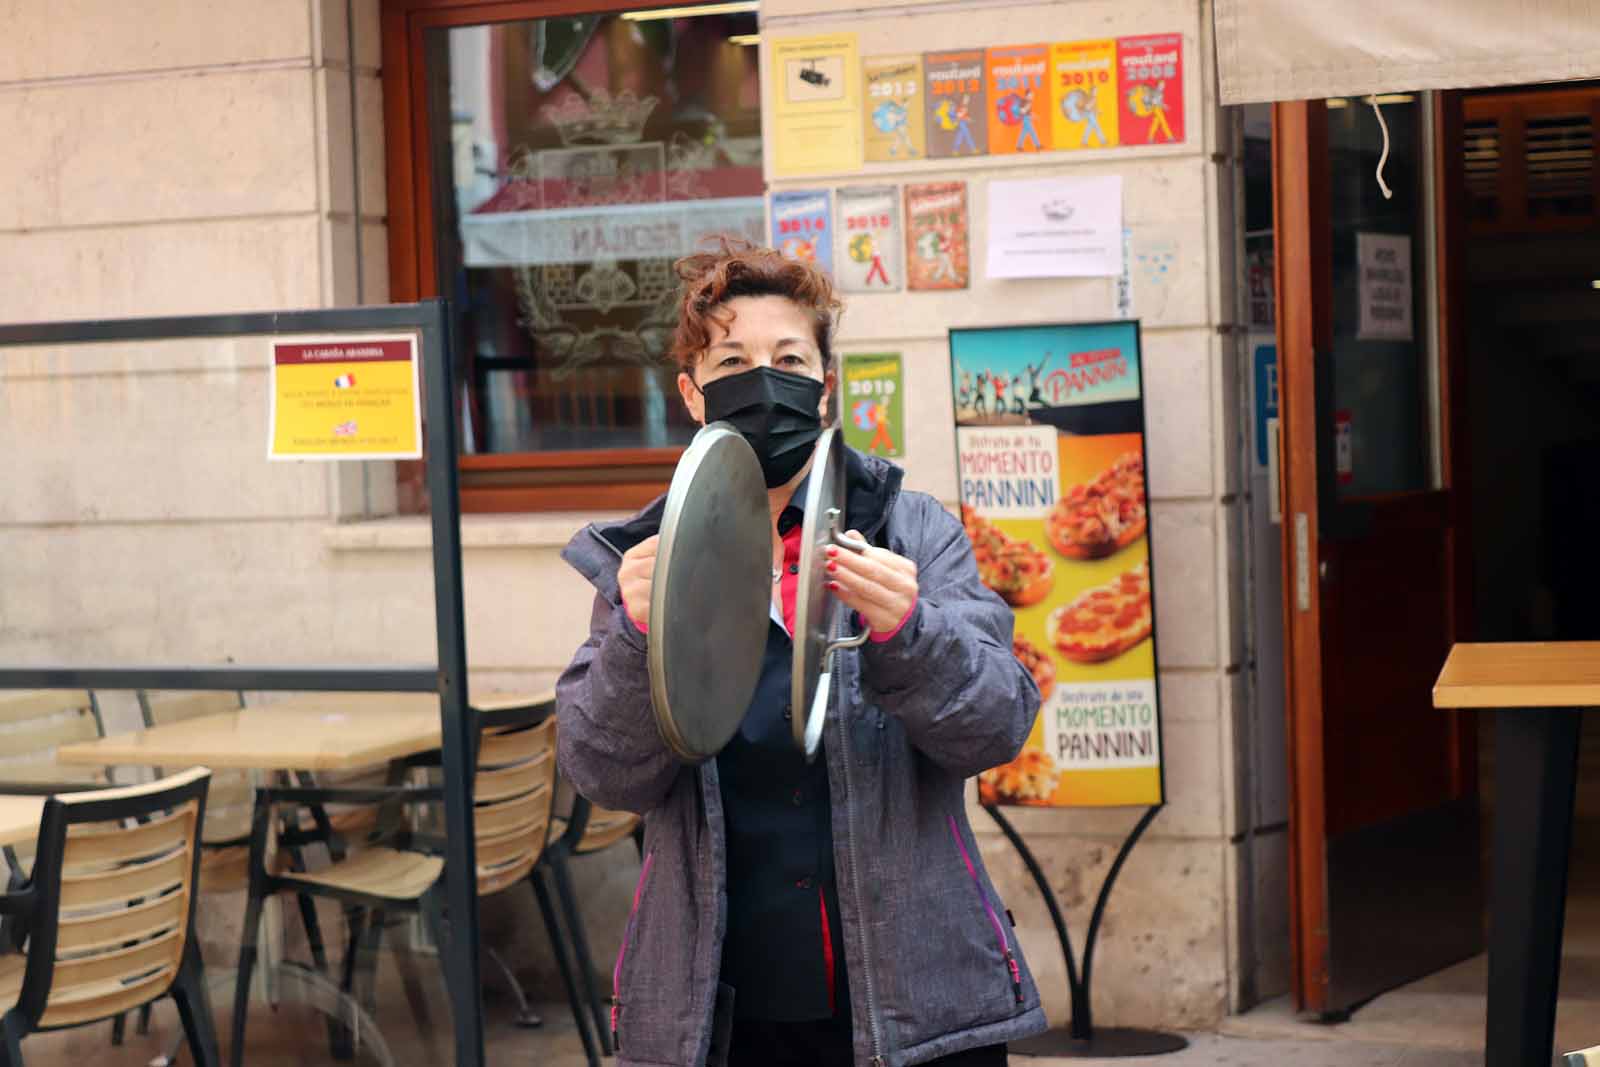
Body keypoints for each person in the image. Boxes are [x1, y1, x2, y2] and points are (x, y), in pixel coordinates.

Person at [557, 239, 1046, 1067]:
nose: (763, 381)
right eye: (732, 360)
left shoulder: (911, 531)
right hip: (724, 1014)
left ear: (824, 385)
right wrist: (638, 641)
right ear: (692, 392)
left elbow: (997, 726)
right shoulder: (645, 560)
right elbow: (605, 773)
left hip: (914, 1009)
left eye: (788, 357)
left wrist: (910, 631)